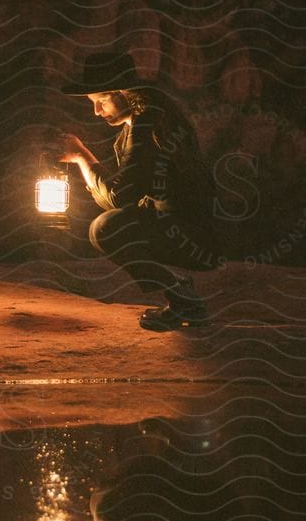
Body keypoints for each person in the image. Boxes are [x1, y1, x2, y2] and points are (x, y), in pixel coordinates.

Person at [58, 50, 220, 332]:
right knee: (111, 224)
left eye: (101, 101)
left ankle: (184, 298)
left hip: (191, 233)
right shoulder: (142, 121)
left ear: (124, 93)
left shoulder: (148, 123)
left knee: (105, 228)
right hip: (183, 226)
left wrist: (81, 156)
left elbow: (121, 196)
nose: (97, 111)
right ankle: (183, 300)